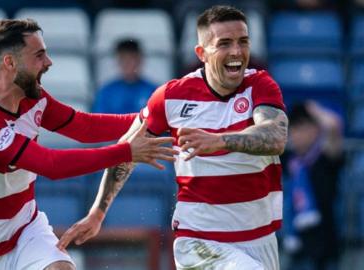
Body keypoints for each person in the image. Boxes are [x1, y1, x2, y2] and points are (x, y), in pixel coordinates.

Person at [58, 5, 288, 270]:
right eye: (224, 43)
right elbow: (126, 151)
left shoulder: (260, 85)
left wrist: (220, 141)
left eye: (242, 42)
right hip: (200, 240)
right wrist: (97, 212)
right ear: (201, 53)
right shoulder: (171, 98)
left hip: (260, 239)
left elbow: (275, 136)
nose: (236, 51)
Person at [0, 19, 177, 270]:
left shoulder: (32, 96)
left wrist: (153, 118)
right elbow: (51, 165)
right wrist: (126, 151)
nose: (49, 63)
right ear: (10, 62)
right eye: (39, 55)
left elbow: (84, 127)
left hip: (24, 232)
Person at [281, 101, 343, 270]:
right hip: (296, 245)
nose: (298, 134)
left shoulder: (325, 157)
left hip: (326, 245)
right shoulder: (288, 159)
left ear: (316, 130)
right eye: (294, 128)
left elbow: (333, 126)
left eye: (304, 127)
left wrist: (312, 108)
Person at [92, 39, 157, 114]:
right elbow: (99, 120)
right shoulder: (106, 92)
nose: (127, 63)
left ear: (139, 60)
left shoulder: (153, 91)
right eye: (123, 58)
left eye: (131, 58)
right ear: (118, 61)